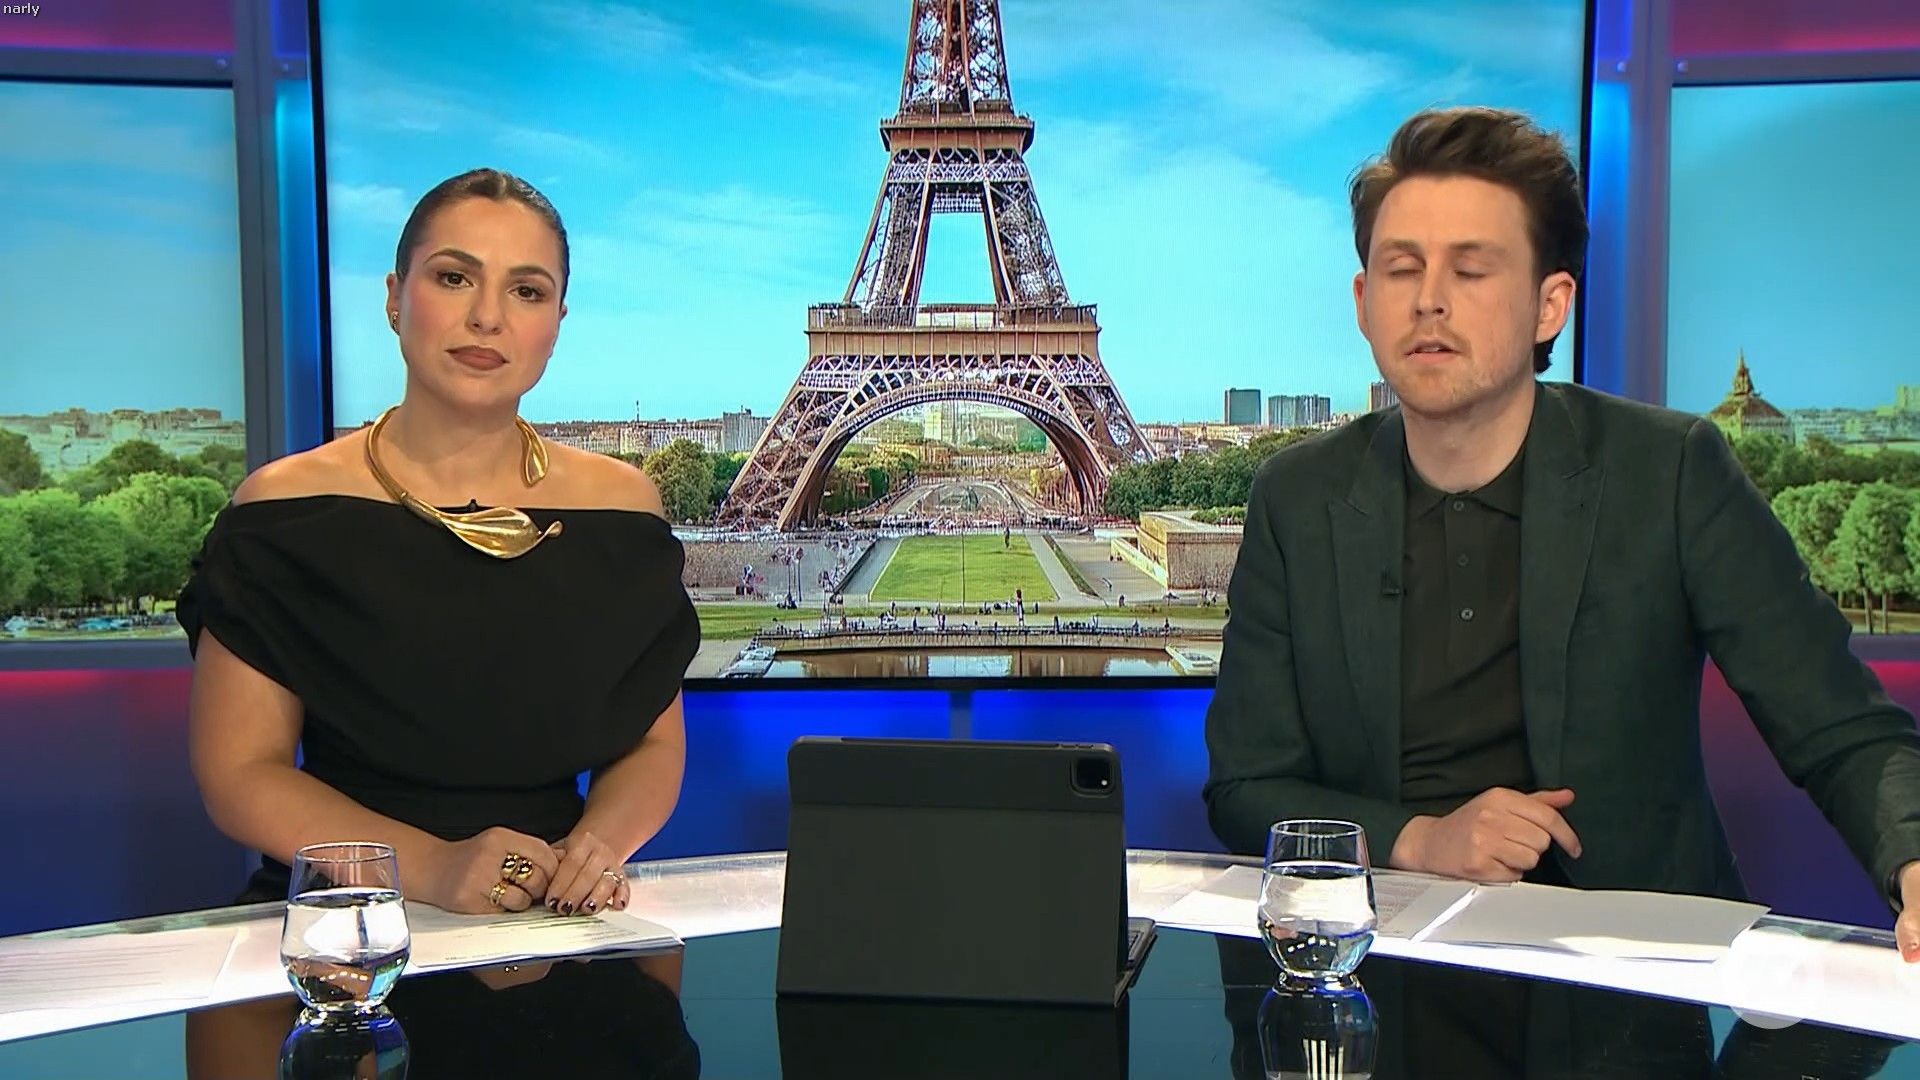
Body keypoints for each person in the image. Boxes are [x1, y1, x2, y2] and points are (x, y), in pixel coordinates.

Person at [1202, 108, 1920, 954]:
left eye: (1471, 269)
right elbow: (1246, 787)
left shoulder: (1670, 471)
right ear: (1364, 303)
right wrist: (1421, 839)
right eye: (1402, 269)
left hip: (1634, 969)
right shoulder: (1297, 496)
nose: (1429, 300)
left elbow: (1838, 724)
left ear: (1551, 304)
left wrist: (1913, 861)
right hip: (1378, 962)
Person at [179, 168, 699, 918]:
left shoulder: (622, 513)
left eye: (527, 291)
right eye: (455, 277)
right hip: (347, 927)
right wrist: (429, 867)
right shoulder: (282, 513)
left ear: (557, 321)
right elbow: (240, 773)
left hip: (555, 915)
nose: (488, 317)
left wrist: (594, 850)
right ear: (395, 298)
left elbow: (653, 745)